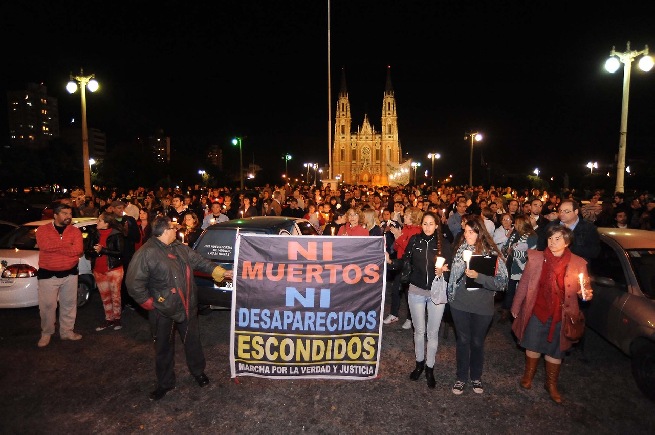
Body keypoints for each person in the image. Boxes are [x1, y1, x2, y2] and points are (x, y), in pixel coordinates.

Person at [126, 216, 233, 401]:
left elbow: (200, 261)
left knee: (192, 341)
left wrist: (221, 272)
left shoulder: (179, 248)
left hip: (187, 305)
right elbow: (133, 283)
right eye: (173, 228)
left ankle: (198, 372)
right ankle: (165, 383)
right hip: (162, 310)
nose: (176, 230)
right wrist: (150, 304)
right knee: (163, 347)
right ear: (165, 230)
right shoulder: (146, 253)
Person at [511, 225, 592, 403]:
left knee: (555, 350)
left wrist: (584, 293)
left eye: (557, 239)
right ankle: (528, 376)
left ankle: (551, 384)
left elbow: (583, 289)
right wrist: (516, 306)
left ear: (567, 242)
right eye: (550, 239)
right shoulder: (536, 258)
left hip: (561, 314)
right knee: (532, 345)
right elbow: (524, 284)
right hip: (537, 309)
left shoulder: (578, 263)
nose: (552, 242)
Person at [387, 212, 452, 388]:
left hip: (436, 293)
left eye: (431, 224)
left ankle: (430, 368)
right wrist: (391, 262)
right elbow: (405, 262)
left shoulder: (443, 244)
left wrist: (445, 270)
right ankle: (419, 364)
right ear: (421, 224)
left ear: (437, 226)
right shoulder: (415, 241)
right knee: (418, 331)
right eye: (425, 223)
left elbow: (452, 265)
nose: (428, 227)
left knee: (432, 333)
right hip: (415, 291)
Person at [446, 215, 508, 395]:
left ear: (480, 232)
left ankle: (476, 377)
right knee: (463, 340)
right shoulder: (460, 249)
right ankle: (461, 377)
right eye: (465, 232)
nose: (467, 235)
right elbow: (454, 276)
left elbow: (502, 283)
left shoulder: (493, 254)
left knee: (477, 342)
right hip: (460, 304)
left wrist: (478, 277)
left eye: (471, 232)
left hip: (482, 306)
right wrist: (446, 270)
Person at [35, 203, 84, 347]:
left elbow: (78, 250)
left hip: (70, 274)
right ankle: (46, 333)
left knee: (69, 304)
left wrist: (59, 246)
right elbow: (45, 246)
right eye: (65, 213)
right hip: (48, 275)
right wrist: (67, 246)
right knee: (47, 306)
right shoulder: (43, 230)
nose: (68, 216)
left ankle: (67, 331)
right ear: (55, 215)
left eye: (70, 213)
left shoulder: (75, 231)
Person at [384, 206, 423, 329]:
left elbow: (408, 249)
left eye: (406, 215)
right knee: (396, 291)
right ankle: (394, 314)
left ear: (414, 218)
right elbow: (396, 247)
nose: (403, 217)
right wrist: (397, 236)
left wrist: (398, 236)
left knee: (408, 293)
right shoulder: (405, 228)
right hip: (400, 263)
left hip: (410, 266)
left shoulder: (417, 231)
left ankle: (410, 318)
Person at [86, 212, 125, 331]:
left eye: (99, 220)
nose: (97, 222)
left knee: (115, 295)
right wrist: (94, 252)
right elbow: (88, 250)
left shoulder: (116, 235)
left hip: (114, 269)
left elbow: (120, 252)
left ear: (106, 223)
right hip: (98, 269)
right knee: (105, 296)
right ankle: (109, 319)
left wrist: (103, 250)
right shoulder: (94, 234)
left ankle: (117, 319)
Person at [498, 215, 537, 323]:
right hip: (510, 265)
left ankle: (515, 314)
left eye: (516, 223)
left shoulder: (532, 237)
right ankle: (506, 310)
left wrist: (514, 251)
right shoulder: (515, 234)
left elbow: (531, 253)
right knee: (509, 289)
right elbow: (505, 246)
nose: (514, 224)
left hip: (521, 269)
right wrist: (507, 249)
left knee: (518, 291)